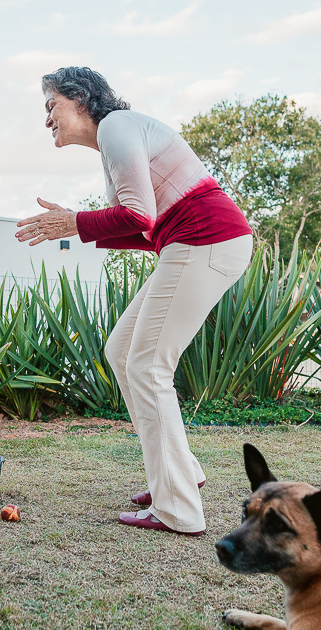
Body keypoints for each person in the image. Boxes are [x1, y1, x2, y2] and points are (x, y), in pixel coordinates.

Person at [17, 66, 253, 536]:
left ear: (81, 99)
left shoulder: (116, 127)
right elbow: (146, 229)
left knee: (148, 365)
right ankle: (181, 473)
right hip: (193, 243)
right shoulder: (116, 138)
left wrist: (75, 223)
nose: (46, 118)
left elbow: (138, 216)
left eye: (51, 105)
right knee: (123, 351)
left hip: (205, 239)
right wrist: (76, 225)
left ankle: (178, 509)